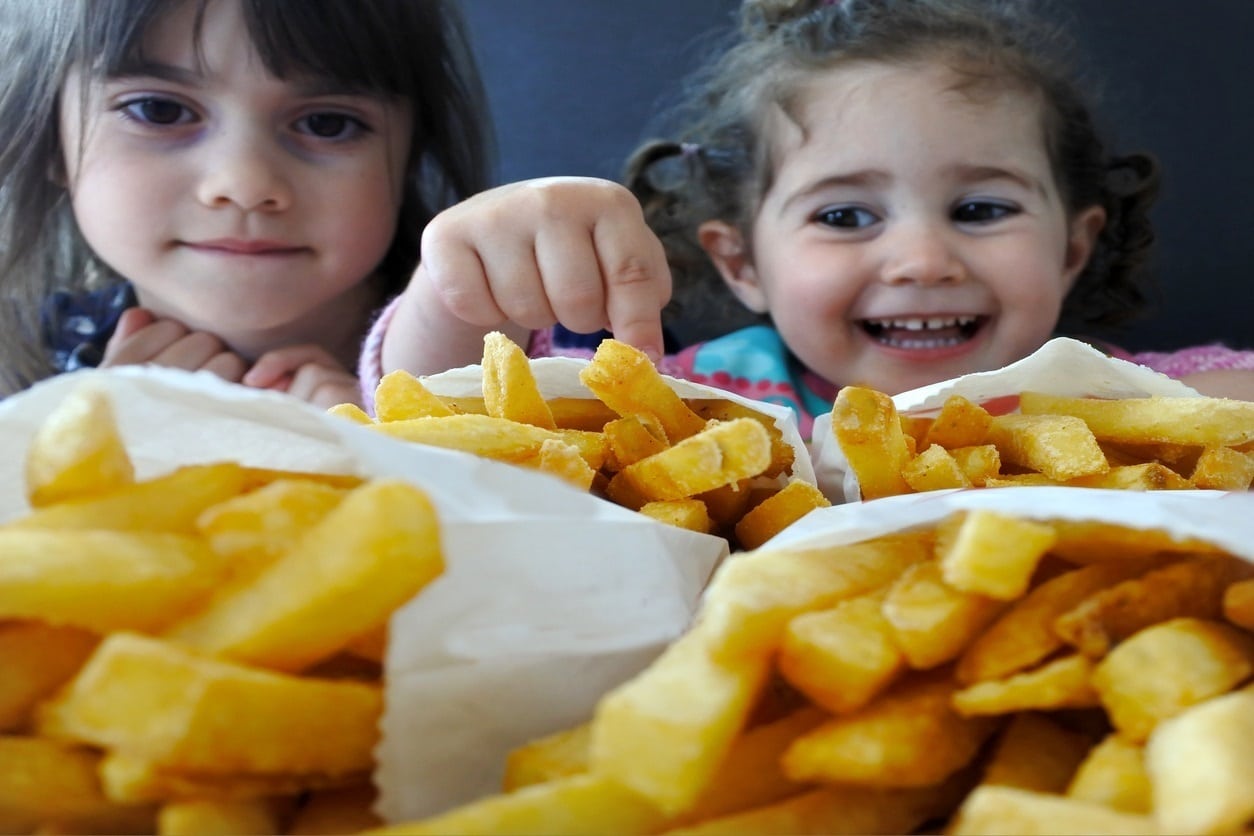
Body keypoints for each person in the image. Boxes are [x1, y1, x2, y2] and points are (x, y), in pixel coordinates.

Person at [366, 0, 1254, 434]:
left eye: (980, 209)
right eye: (844, 216)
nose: (920, 258)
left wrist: (1155, 409)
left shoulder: (1121, 397)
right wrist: (459, 297)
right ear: (742, 262)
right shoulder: (692, 403)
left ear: (1072, 247)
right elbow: (448, 419)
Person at [0, 0, 496, 408]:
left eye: (327, 123)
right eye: (159, 110)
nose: (244, 184)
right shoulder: (22, 372)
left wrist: (404, 461)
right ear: (50, 141)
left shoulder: (516, 356)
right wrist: (83, 455)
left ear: (412, 152)